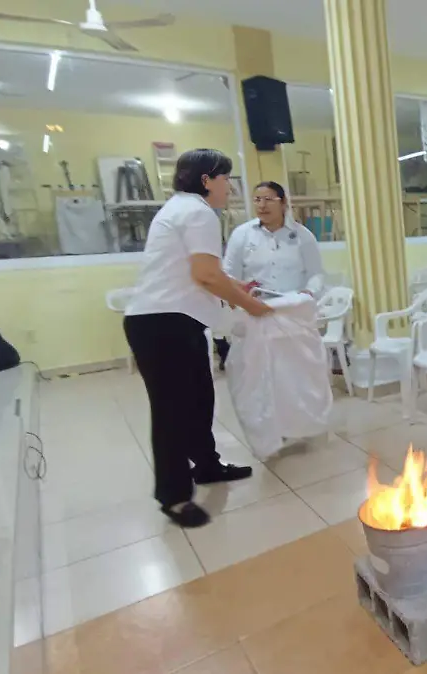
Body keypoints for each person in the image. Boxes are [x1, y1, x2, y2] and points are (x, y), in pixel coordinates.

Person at [123, 149, 273, 528]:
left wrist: (236, 287)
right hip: (162, 324)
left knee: (199, 398)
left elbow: (198, 271)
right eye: (226, 178)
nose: (230, 187)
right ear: (207, 180)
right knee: (172, 411)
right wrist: (251, 307)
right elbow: (205, 275)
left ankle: (206, 466)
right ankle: (173, 497)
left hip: (172, 320)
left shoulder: (181, 209)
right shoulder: (198, 212)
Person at [216, 181, 325, 369]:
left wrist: (308, 292)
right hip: (255, 313)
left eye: (268, 199)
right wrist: (239, 295)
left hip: (292, 315)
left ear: (283, 203)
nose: (262, 205)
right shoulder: (242, 235)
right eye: (257, 200)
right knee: (258, 373)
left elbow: (317, 274)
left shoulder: (303, 236)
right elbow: (228, 274)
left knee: (295, 372)